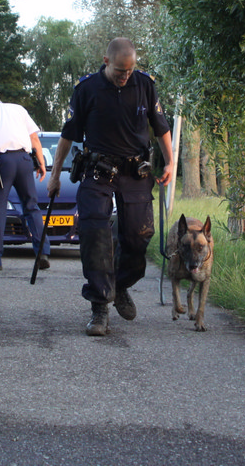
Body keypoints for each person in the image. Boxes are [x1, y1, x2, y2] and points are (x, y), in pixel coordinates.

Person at [47, 38, 175, 336]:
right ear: (106, 61)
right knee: (95, 233)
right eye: (120, 70)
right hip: (98, 171)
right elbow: (68, 134)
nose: (125, 76)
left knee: (139, 235)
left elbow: (161, 127)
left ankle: (119, 285)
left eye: (130, 70)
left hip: (134, 172)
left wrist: (170, 162)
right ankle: (100, 305)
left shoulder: (145, 85)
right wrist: (54, 176)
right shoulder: (87, 89)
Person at [0, 93, 51, 271]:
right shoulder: (18, 109)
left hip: (2, 163)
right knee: (31, 206)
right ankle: (42, 252)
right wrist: (41, 163)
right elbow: (34, 138)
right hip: (24, 160)